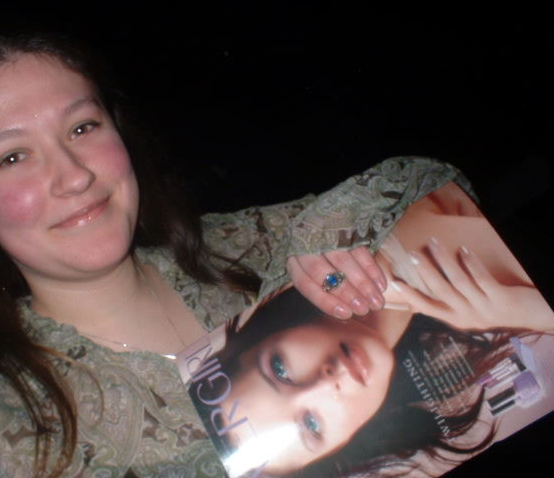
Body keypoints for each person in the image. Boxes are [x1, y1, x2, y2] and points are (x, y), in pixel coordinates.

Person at [0, 31, 469, 477]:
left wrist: (330, 240)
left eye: (83, 127)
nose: (74, 176)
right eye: (12, 157)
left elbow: (438, 184)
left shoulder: (237, 247)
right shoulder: (13, 442)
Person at [193, 182, 554, 477]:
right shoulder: (459, 326)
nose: (326, 383)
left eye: (280, 368)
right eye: (312, 425)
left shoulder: (413, 256)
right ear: (343, 446)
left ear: (267, 333)